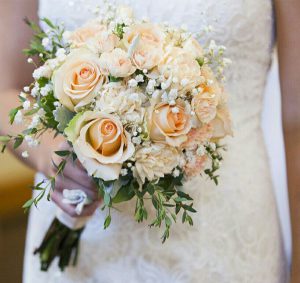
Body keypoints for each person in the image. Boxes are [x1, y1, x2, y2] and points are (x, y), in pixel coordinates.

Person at [0, 0, 299, 282]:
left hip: (224, 236)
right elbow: (6, 92)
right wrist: (52, 154)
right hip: (87, 240)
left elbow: (296, 122)